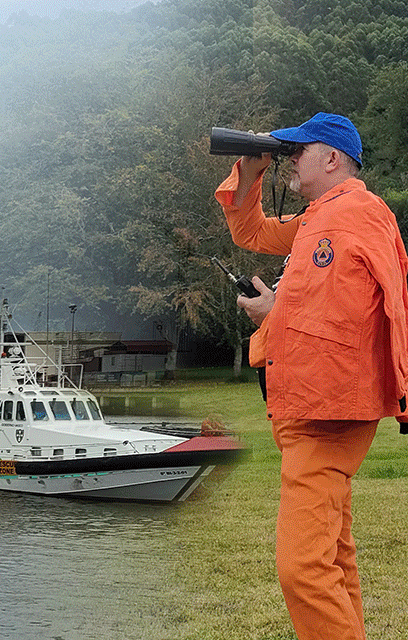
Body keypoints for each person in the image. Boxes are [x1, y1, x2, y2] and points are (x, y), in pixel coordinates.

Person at [216, 112, 408, 640]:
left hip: (329, 408)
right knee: (333, 558)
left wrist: (272, 314)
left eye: (300, 151)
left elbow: (376, 308)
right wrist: (250, 172)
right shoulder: (319, 218)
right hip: (313, 405)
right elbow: (250, 230)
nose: (292, 161)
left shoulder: (361, 215)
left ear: (332, 158)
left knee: (302, 569)